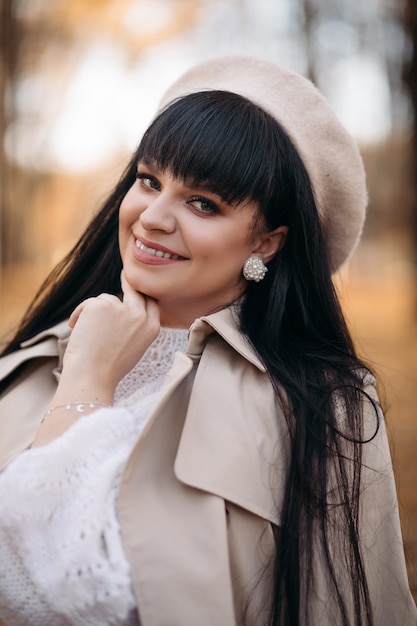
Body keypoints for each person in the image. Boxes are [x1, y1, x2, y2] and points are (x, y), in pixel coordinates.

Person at [0, 55, 415, 626]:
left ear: (266, 244)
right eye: (149, 180)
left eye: (203, 203)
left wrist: (88, 385)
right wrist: (83, 369)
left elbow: (54, 581)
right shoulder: (33, 359)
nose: (152, 218)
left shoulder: (322, 402)